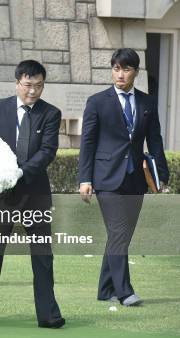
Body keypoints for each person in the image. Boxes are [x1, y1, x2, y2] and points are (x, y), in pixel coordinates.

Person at [0, 60, 65, 328]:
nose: (33, 92)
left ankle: (48, 315)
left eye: (38, 86)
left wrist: (20, 173)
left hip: (34, 192)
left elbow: (47, 151)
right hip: (0, 194)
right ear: (17, 83)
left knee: (42, 254)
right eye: (28, 85)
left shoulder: (51, 113)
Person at [78, 48, 169, 306]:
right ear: (112, 70)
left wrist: (161, 174)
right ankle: (124, 291)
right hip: (106, 178)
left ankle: (105, 288)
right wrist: (85, 179)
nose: (120, 74)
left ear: (135, 72)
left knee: (122, 234)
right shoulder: (97, 102)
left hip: (136, 179)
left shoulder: (147, 103)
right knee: (118, 231)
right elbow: (88, 142)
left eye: (126, 69)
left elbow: (155, 140)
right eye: (116, 68)